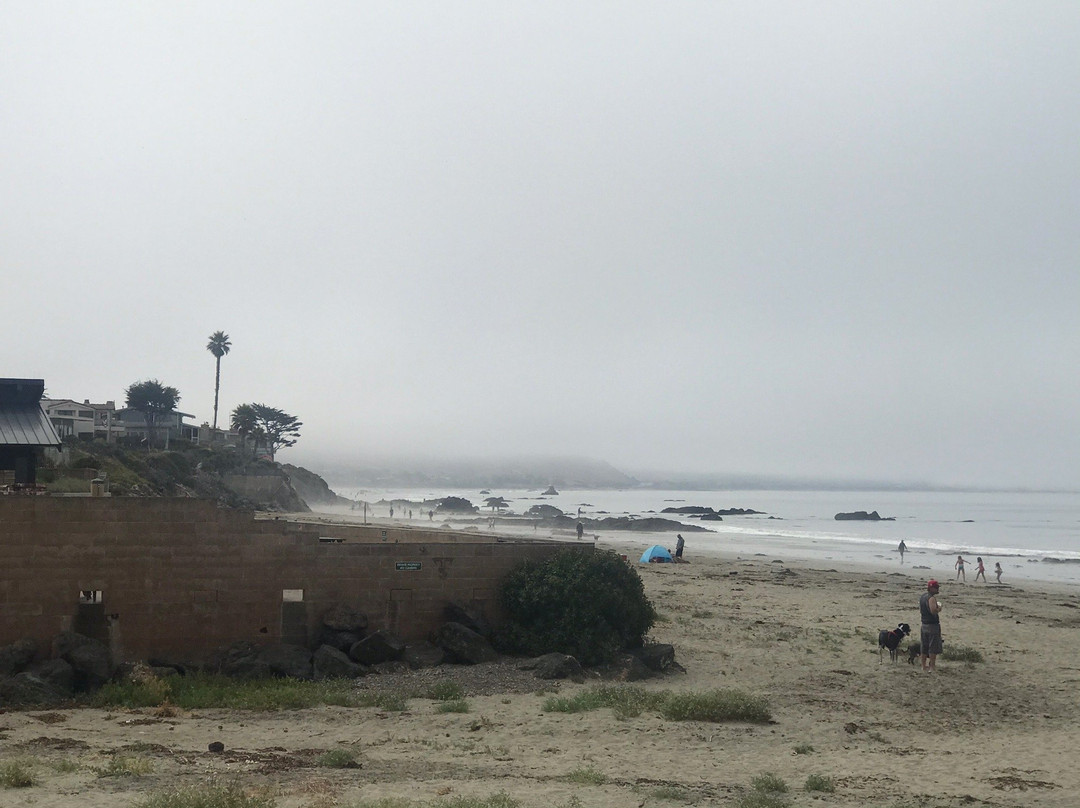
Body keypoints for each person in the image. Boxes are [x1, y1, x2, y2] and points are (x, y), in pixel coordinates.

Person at [919, 579, 944, 672]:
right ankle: (932, 667)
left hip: (924, 624)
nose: (938, 589)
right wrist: (939, 608)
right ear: (932, 588)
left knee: (924, 646)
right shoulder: (931, 598)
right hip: (932, 625)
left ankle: (923, 666)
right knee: (933, 646)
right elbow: (933, 611)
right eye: (936, 587)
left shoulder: (922, 597)